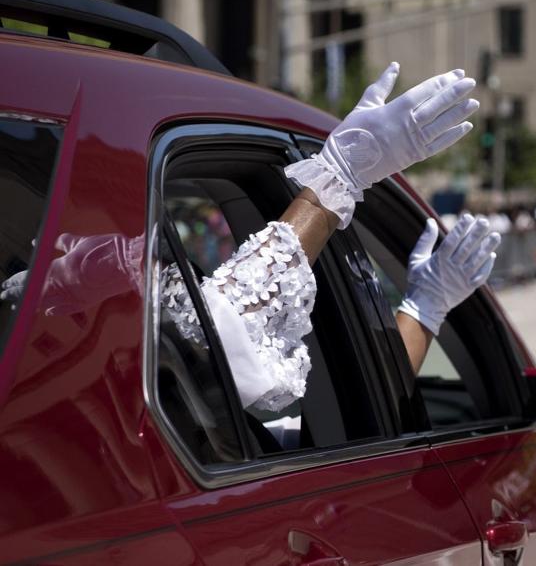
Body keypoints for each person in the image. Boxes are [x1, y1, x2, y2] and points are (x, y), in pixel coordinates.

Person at [2, 64, 499, 412]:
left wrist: (425, 307)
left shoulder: (85, 347)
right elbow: (219, 334)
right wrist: (338, 179)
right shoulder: (65, 334)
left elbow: (368, 399)